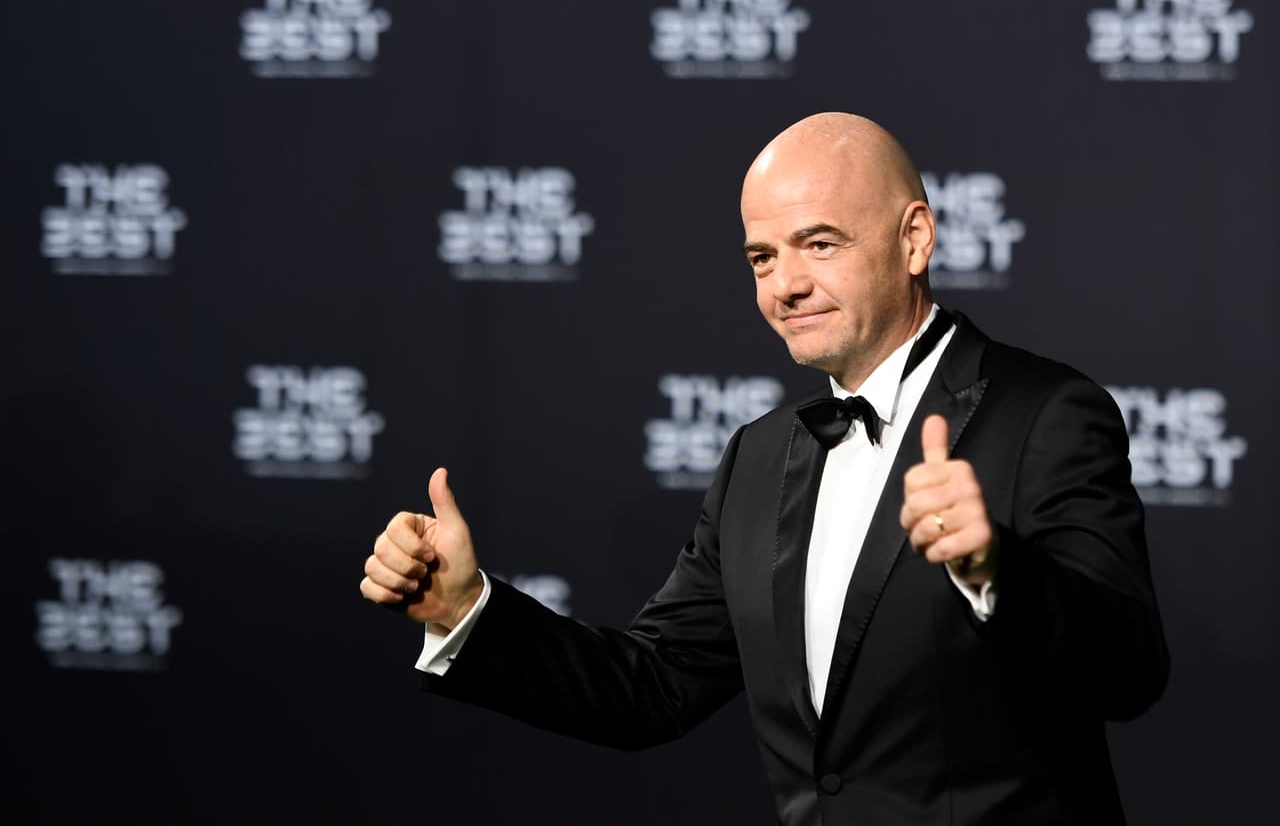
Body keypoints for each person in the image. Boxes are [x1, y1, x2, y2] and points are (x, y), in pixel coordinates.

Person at [360, 112, 1169, 825]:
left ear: (915, 238)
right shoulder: (758, 455)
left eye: (820, 243)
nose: (786, 284)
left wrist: (997, 570)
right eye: (761, 257)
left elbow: (1130, 670)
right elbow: (653, 685)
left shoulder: (1047, 412)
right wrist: (466, 608)